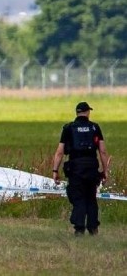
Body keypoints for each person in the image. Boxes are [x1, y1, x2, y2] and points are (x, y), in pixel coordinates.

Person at [52, 101, 110, 236]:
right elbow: (102, 151)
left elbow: (60, 152)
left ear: (77, 112)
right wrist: (105, 170)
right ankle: (93, 228)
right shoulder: (95, 128)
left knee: (78, 197)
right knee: (91, 197)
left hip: (75, 167)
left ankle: (79, 228)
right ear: (88, 112)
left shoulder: (68, 128)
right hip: (91, 167)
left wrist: (55, 171)